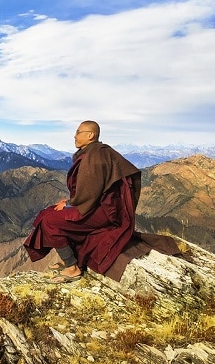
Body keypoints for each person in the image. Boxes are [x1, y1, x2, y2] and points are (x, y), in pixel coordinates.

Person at [23, 120, 142, 283]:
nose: (75, 136)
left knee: (50, 221)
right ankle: (69, 259)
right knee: (49, 212)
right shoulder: (99, 152)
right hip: (101, 207)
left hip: (102, 212)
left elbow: (90, 193)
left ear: (90, 135)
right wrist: (70, 202)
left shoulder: (94, 157)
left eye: (78, 132)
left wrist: (70, 203)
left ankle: (72, 267)